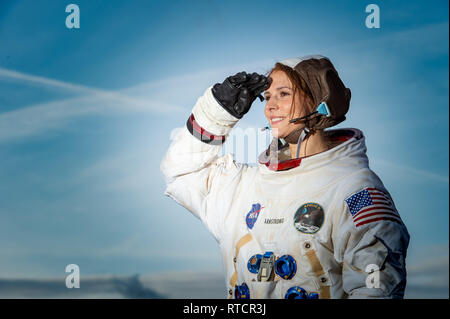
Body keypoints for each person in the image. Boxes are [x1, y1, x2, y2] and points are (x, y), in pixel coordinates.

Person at [160, 55, 410, 299]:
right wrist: (217, 113)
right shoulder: (246, 188)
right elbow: (182, 172)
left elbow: (375, 290)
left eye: (284, 94)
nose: (270, 106)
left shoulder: (355, 191)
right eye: (267, 96)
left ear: (319, 99)